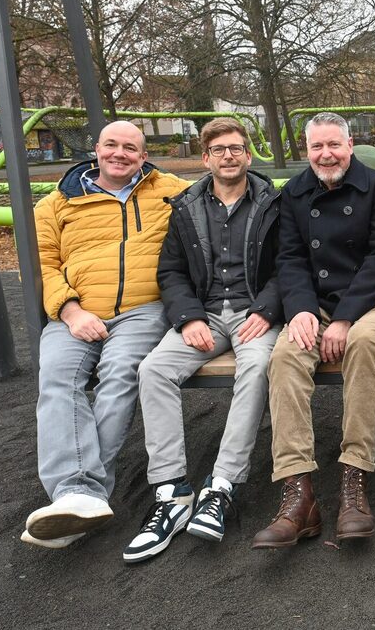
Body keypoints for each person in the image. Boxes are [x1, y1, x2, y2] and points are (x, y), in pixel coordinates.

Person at [121, 118, 282, 563]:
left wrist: (267, 310)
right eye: (219, 149)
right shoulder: (186, 207)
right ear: (205, 157)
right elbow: (170, 272)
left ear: (248, 156)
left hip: (256, 314)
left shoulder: (273, 203)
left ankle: (223, 485)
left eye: (236, 148)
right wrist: (189, 316)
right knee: (153, 369)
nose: (228, 156)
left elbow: (289, 265)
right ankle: (172, 492)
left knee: (256, 367)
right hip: (205, 314)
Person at [22, 121, 186, 548]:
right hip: (74, 310)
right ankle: (78, 494)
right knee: (57, 379)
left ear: (143, 154)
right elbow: (42, 265)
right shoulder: (56, 204)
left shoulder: (169, 190)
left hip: (143, 309)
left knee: (120, 374)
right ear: (95, 149)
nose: (120, 153)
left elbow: (225, 189)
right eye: (111, 145)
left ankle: (81, 495)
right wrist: (71, 310)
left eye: (130, 147)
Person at [252, 112, 375, 548]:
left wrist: (344, 317)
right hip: (314, 302)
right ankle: (299, 493)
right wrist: (300, 309)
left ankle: (354, 480)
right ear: (307, 150)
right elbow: (291, 259)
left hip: (371, 300)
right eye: (316, 147)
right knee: (284, 356)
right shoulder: (295, 193)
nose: (325, 154)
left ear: (350, 145)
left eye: (333, 144)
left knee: (362, 343)